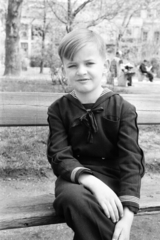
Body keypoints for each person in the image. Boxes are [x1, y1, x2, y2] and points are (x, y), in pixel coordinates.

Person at [47, 29, 145, 240]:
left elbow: (131, 160)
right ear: (64, 70)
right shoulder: (58, 110)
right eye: (72, 65)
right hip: (75, 180)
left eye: (89, 63)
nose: (81, 71)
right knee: (72, 198)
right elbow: (59, 155)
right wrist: (91, 182)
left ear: (106, 66)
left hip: (113, 176)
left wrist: (127, 218)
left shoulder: (122, 108)